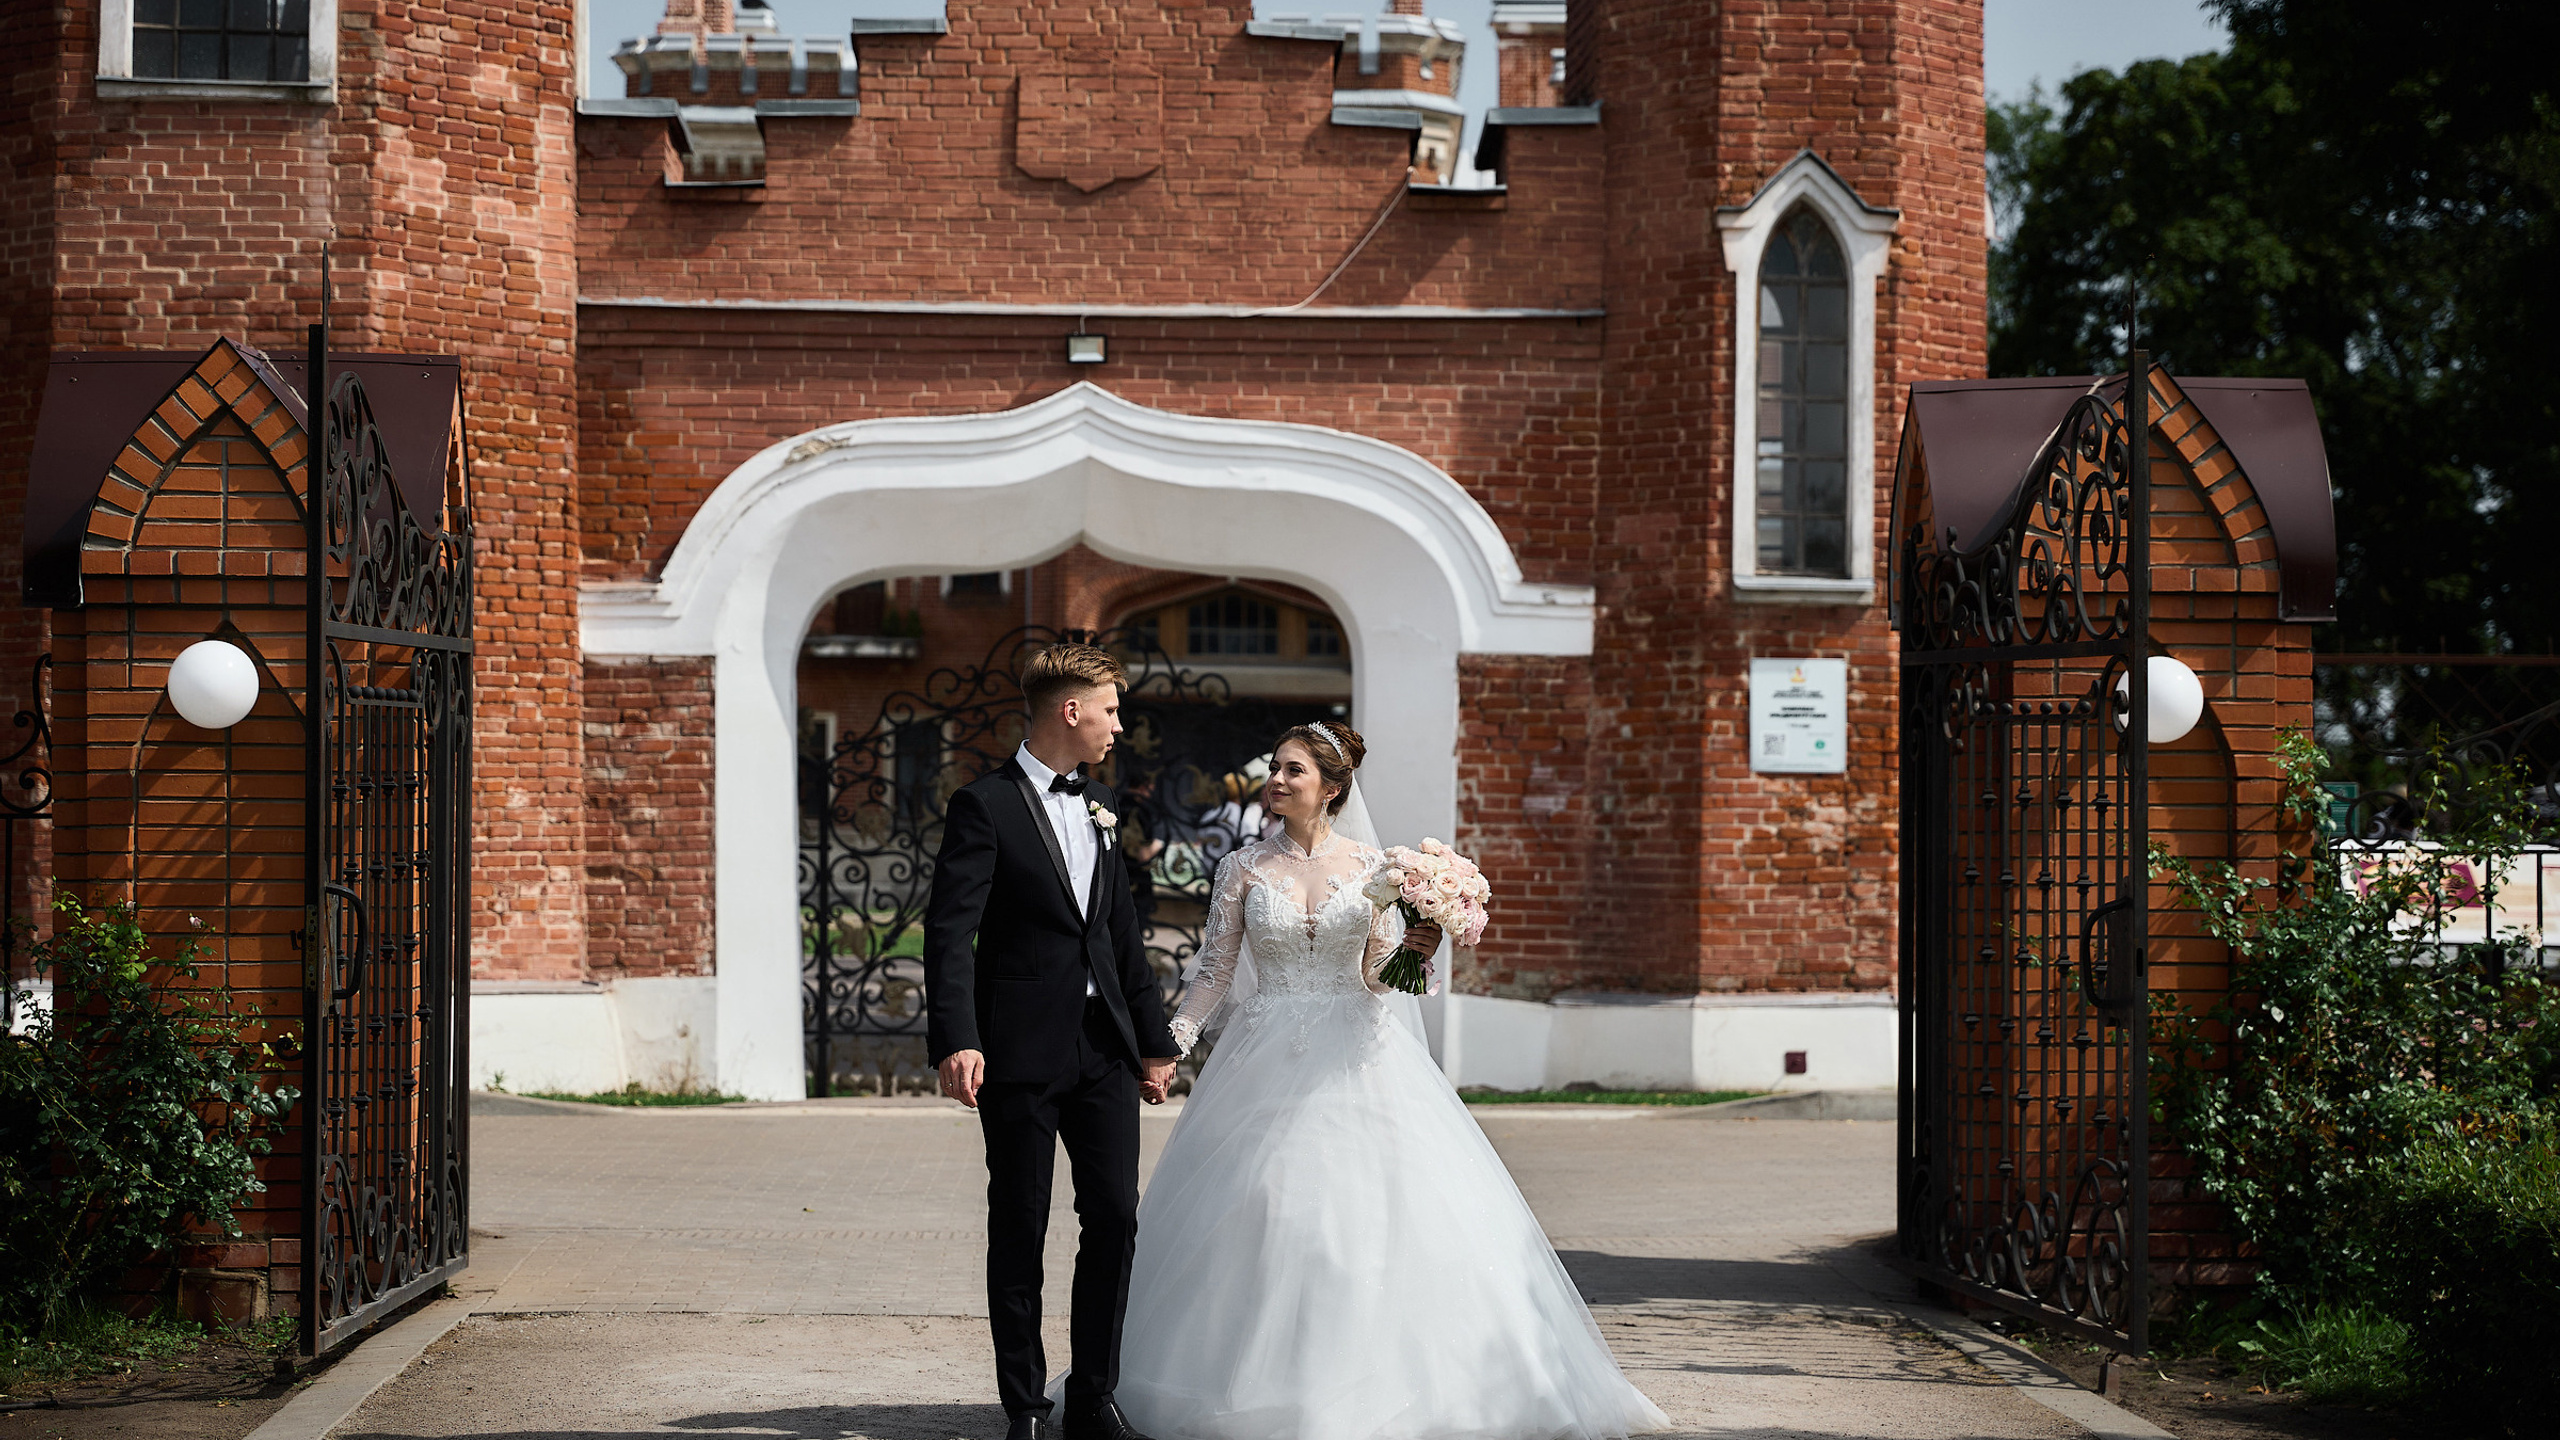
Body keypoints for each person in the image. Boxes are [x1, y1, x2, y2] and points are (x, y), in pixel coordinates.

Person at [1110, 722, 1671, 1440]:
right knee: (1267, 1206)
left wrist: (1419, 945)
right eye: (1274, 769)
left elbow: (1376, 979)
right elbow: (1215, 974)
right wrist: (1170, 1046)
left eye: (1292, 771)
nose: (1275, 780)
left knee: (1364, 1218)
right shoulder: (1242, 868)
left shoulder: (1376, 870)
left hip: (1357, 1056)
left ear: (1332, 788)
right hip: (1262, 1059)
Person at [923, 643, 1181, 1440]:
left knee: (1114, 1217)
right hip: (1019, 1051)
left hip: (1104, 1051)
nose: (1117, 724)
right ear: (1071, 712)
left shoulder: (1104, 805)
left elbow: (1121, 937)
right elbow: (949, 931)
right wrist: (956, 1039)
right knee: (1021, 1225)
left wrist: (1154, 1039)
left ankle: (1094, 1398)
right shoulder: (985, 805)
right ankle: (1027, 1408)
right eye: (1109, 709)